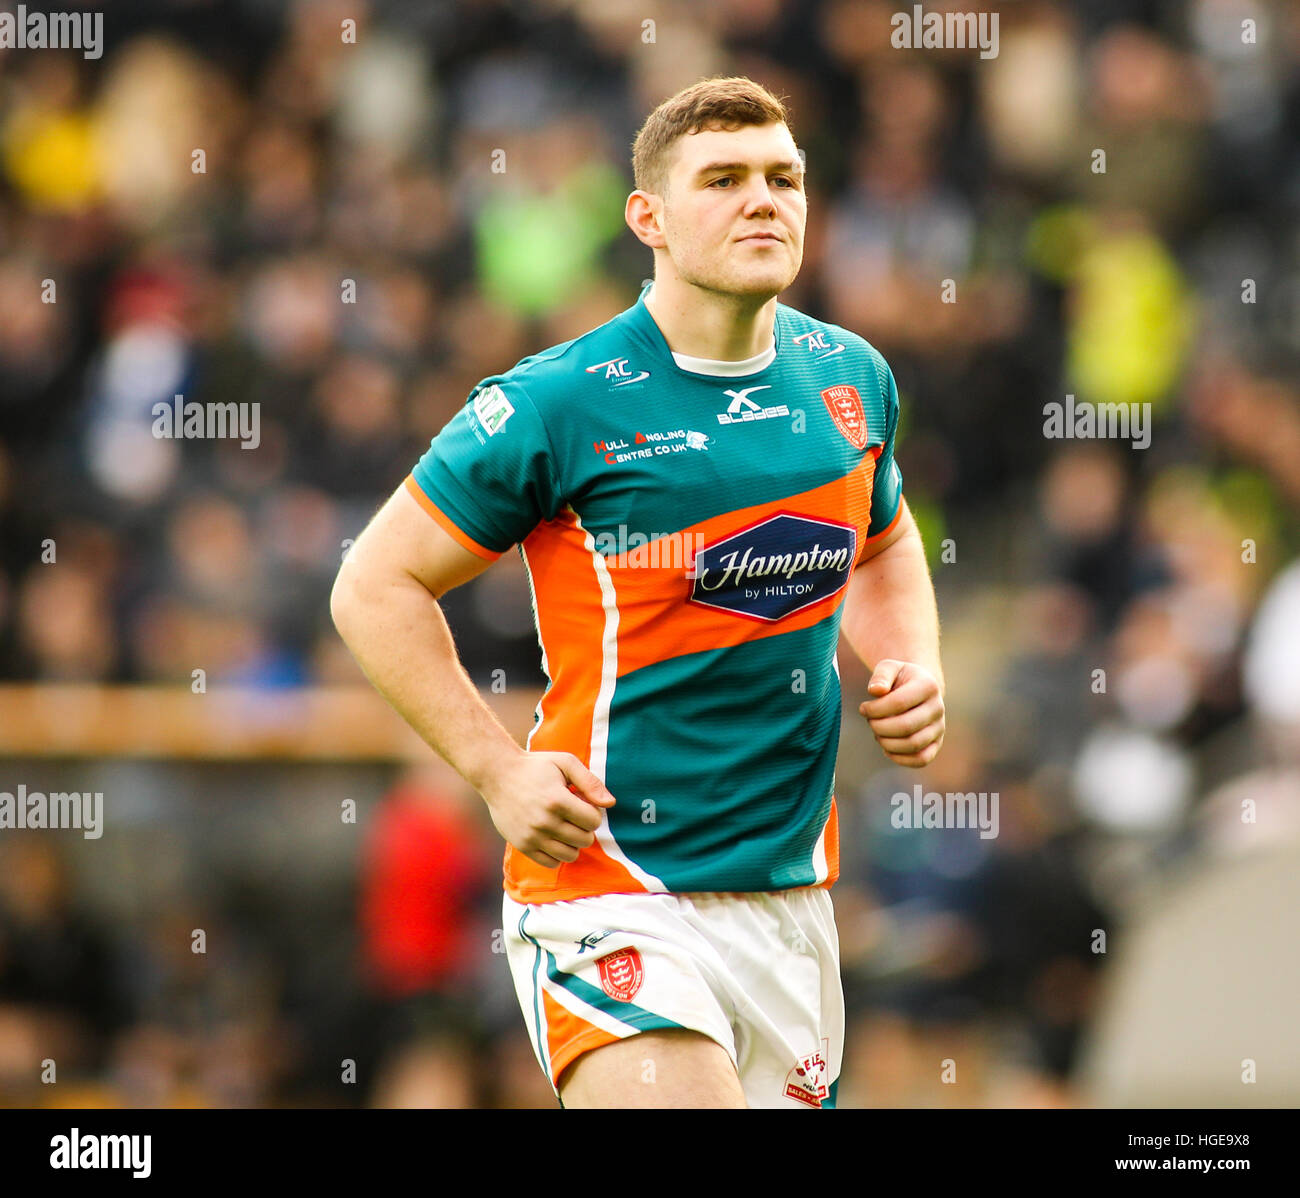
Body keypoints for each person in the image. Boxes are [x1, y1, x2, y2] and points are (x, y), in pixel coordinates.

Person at [331, 76, 945, 1109]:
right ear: (647, 219)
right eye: (724, 179)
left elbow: (884, 542)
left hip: (790, 900)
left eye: (782, 178)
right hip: (612, 888)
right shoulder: (556, 400)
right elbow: (374, 584)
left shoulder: (850, 377)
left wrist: (910, 661)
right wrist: (494, 769)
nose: (764, 200)